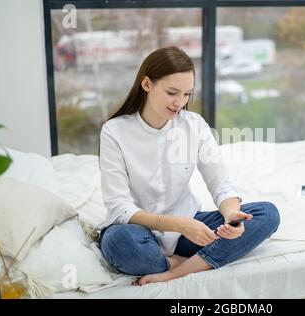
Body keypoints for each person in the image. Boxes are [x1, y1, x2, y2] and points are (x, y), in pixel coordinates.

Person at [98, 46, 280, 286]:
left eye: (187, 94)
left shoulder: (193, 126)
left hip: (188, 226)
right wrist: (180, 225)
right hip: (138, 230)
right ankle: (189, 261)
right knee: (120, 243)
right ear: (146, 84)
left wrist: (232, 215)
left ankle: (177, 269)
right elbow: (120, 208)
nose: (180, 103)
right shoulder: (115, 131)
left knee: (267, 214)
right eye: (172, 92)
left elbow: (221, 184)